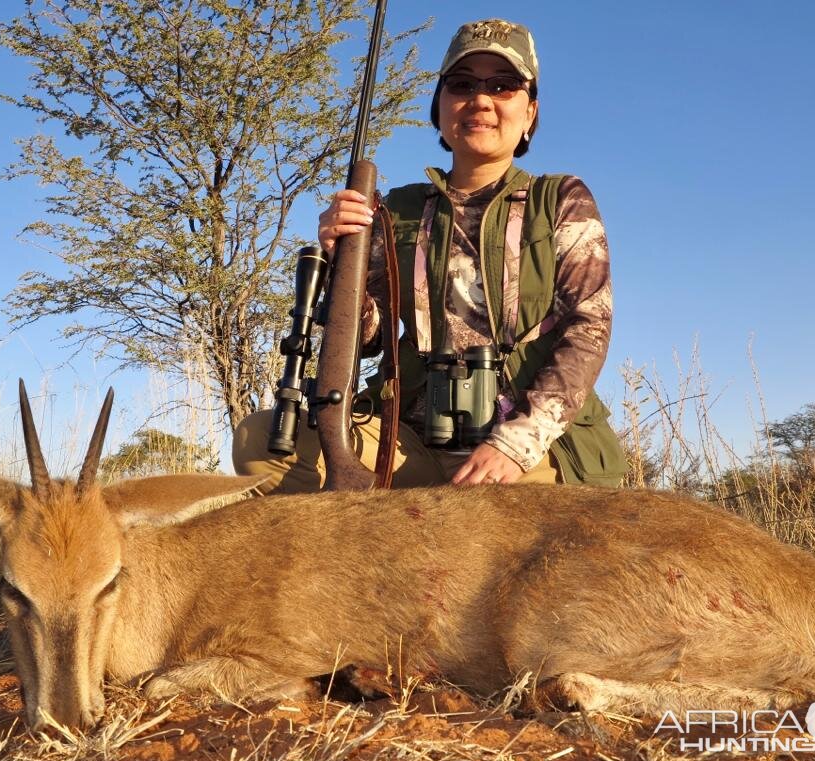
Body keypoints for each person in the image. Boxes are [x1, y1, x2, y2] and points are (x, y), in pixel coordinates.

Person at [233, 18, 627, 492]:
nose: (480, 100)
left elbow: (589, 326)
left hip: (524, 449)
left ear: (530, 114)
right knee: (259, 438)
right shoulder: (396, 208)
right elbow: (369, 337)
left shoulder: (561, 198)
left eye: (503, 86)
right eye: (461, 85)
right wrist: (342, 270)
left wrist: (517, 443)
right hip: (409, 440)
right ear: (439, 109)